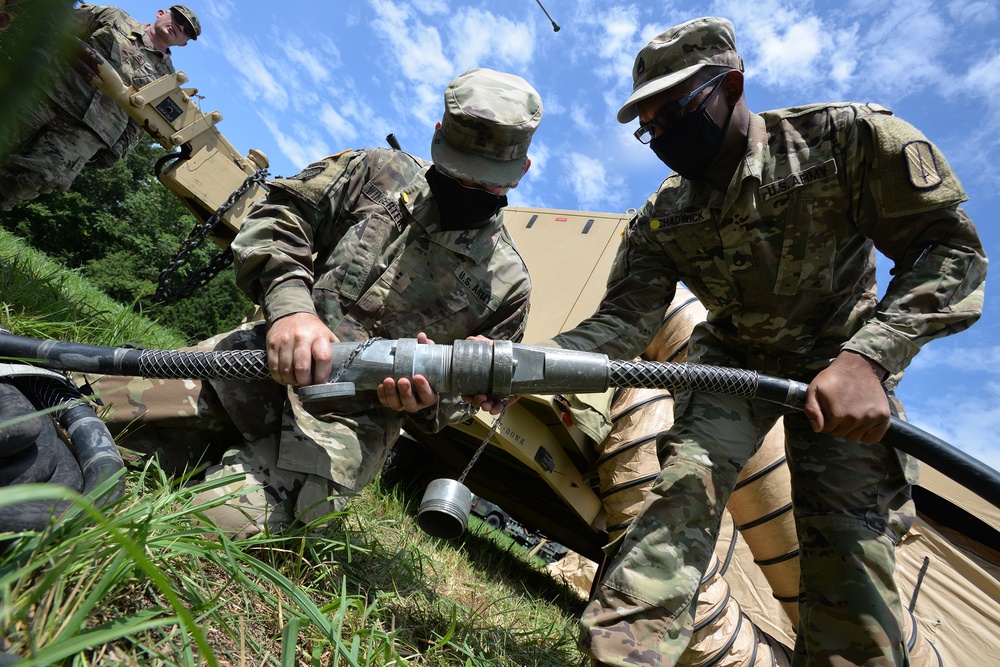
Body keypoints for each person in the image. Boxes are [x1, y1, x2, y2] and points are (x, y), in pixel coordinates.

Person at [527, 17, 986, 667]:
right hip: (731, 363)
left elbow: (952, 253)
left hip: (837, 362)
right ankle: (621, 654)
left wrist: (870, 358)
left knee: (848, 556)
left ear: (730, 85)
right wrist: (521, 364)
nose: (660, 137)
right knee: (683, 487)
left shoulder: (842, 140)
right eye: (647, 127)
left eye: (674, 113)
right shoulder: (664, 214)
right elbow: (621, 326)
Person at [79, 67, 542, 536]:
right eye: (456, 171)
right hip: (255, 365)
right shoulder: (375, 172)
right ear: (438, 136)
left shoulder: (508, 286)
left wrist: (429, 400)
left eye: (485, 183)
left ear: (521, 171)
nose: (467, 189)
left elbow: (466, 403)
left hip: (342, 435)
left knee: (205, 526)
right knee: (69, 408)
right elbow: (279, 214)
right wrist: (292, 308)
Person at [0, 4, 200, 210]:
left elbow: (143, 121)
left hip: (89, 132)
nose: (180, 27)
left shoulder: (168, 80)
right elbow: (59, 30)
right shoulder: (114, 17)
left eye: (186, 31)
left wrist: (119, 150)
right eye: (177, 19)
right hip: (47, 93)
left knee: (35, 179)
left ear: (184, 43)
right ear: (161, 14)